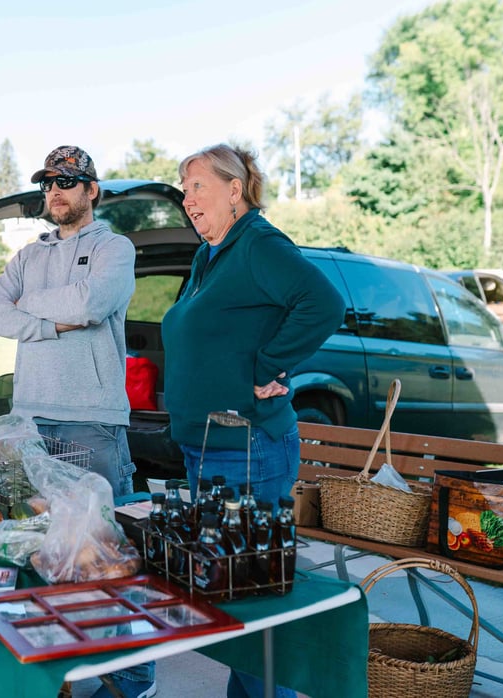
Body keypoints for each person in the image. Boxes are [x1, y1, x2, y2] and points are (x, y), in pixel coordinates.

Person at [161, 144, 345, 698]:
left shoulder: (258, 244)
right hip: (208, 450)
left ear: (235, 190)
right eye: (184, 188)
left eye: (198, 186)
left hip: (247, 451)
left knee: (252, 607)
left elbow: (323, 303)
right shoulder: (209, 256)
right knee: (234, 602)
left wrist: (272, 363)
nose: (187, 199)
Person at [0, 145, 151, 698]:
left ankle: (132, 679)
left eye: (67, 182)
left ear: (91, 190)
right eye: (49, 183)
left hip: (92, 420)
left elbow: (95, 303)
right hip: (32, 417)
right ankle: (68, 670)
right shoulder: (28, 257)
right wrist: (53, 323)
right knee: (46, 550)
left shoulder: (114, 247)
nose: (55, 191)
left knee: (107, 553)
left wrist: (35, 308)